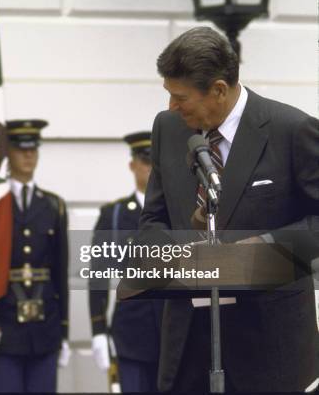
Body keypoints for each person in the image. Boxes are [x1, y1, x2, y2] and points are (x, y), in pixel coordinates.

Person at [139, 26, 319, 392]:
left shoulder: (292, 130)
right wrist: (179, 253)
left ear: (219, 90)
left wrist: (265, 250)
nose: (172, 106)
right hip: (188, 345)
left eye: (181, 97)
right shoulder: (168, 128)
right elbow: (152, 220)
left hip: (268, 349)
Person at [0, 119, 70, 393]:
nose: (29, 155)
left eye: (34, 149)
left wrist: (64, 331)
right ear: (8, 153)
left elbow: (60, 272)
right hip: (5, 326)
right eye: (21, 149)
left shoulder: (54, 205)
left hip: (45, 329)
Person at [89, 131, 164, 392]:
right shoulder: (115, 214)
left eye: (156, 160)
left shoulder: (177, 211)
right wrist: (98, 328)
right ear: (133, 165)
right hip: (132, 331)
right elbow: (98, 274)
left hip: (172, 331)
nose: (151, 167)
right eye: (145, 160)